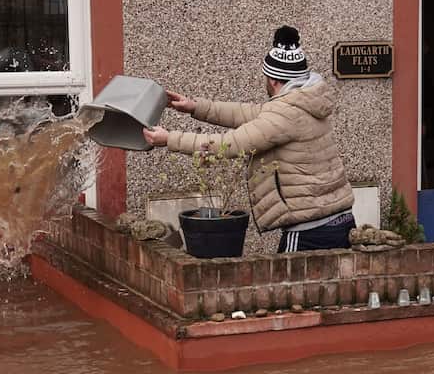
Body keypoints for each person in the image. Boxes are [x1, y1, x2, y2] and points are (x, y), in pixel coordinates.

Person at [142, 25, 356, 253]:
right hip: (337, 220)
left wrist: (169, 139)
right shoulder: (303, 102)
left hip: (310, 230)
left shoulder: (285, 114)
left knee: (287, 287)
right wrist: (195, 106)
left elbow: (231, 144)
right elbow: (248, 113)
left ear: (274, 81)